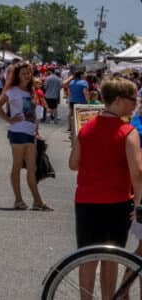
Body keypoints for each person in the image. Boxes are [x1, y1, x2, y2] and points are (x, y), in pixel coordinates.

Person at [68, 77, 142, 298]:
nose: (136, 104)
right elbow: (137, 172)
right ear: (118, 100)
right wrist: (139, 202)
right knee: (111, 257)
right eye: (133, 99)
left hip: (86, 200)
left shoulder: (86, 128)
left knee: (87, 257)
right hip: (116, 201)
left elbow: (73, 163)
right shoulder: (127, 132)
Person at [0, 63, 51, 211]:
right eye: (24, 73)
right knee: (17, 166)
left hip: (31, 133)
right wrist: (9, 119)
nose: (27, 75)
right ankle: (18, 200)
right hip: (17, 132)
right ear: (17, 75)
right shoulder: (12, 90)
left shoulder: (32, 91)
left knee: (32, 168)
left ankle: (37, 201)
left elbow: (34, 113)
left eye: (29, 73)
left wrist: (37, 131)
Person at [64, 69, 89, 134]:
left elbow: (69, 92)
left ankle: (69, 128)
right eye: (84, 74)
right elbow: (85, 92)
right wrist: (88, 102)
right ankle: (79, 128)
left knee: (71, 114)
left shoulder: (72, 82)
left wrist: (69, 100)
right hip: (81, 101)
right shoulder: (84, 82)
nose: (85, 75)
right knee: (80, 115)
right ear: (81, 75)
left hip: (72, 100)